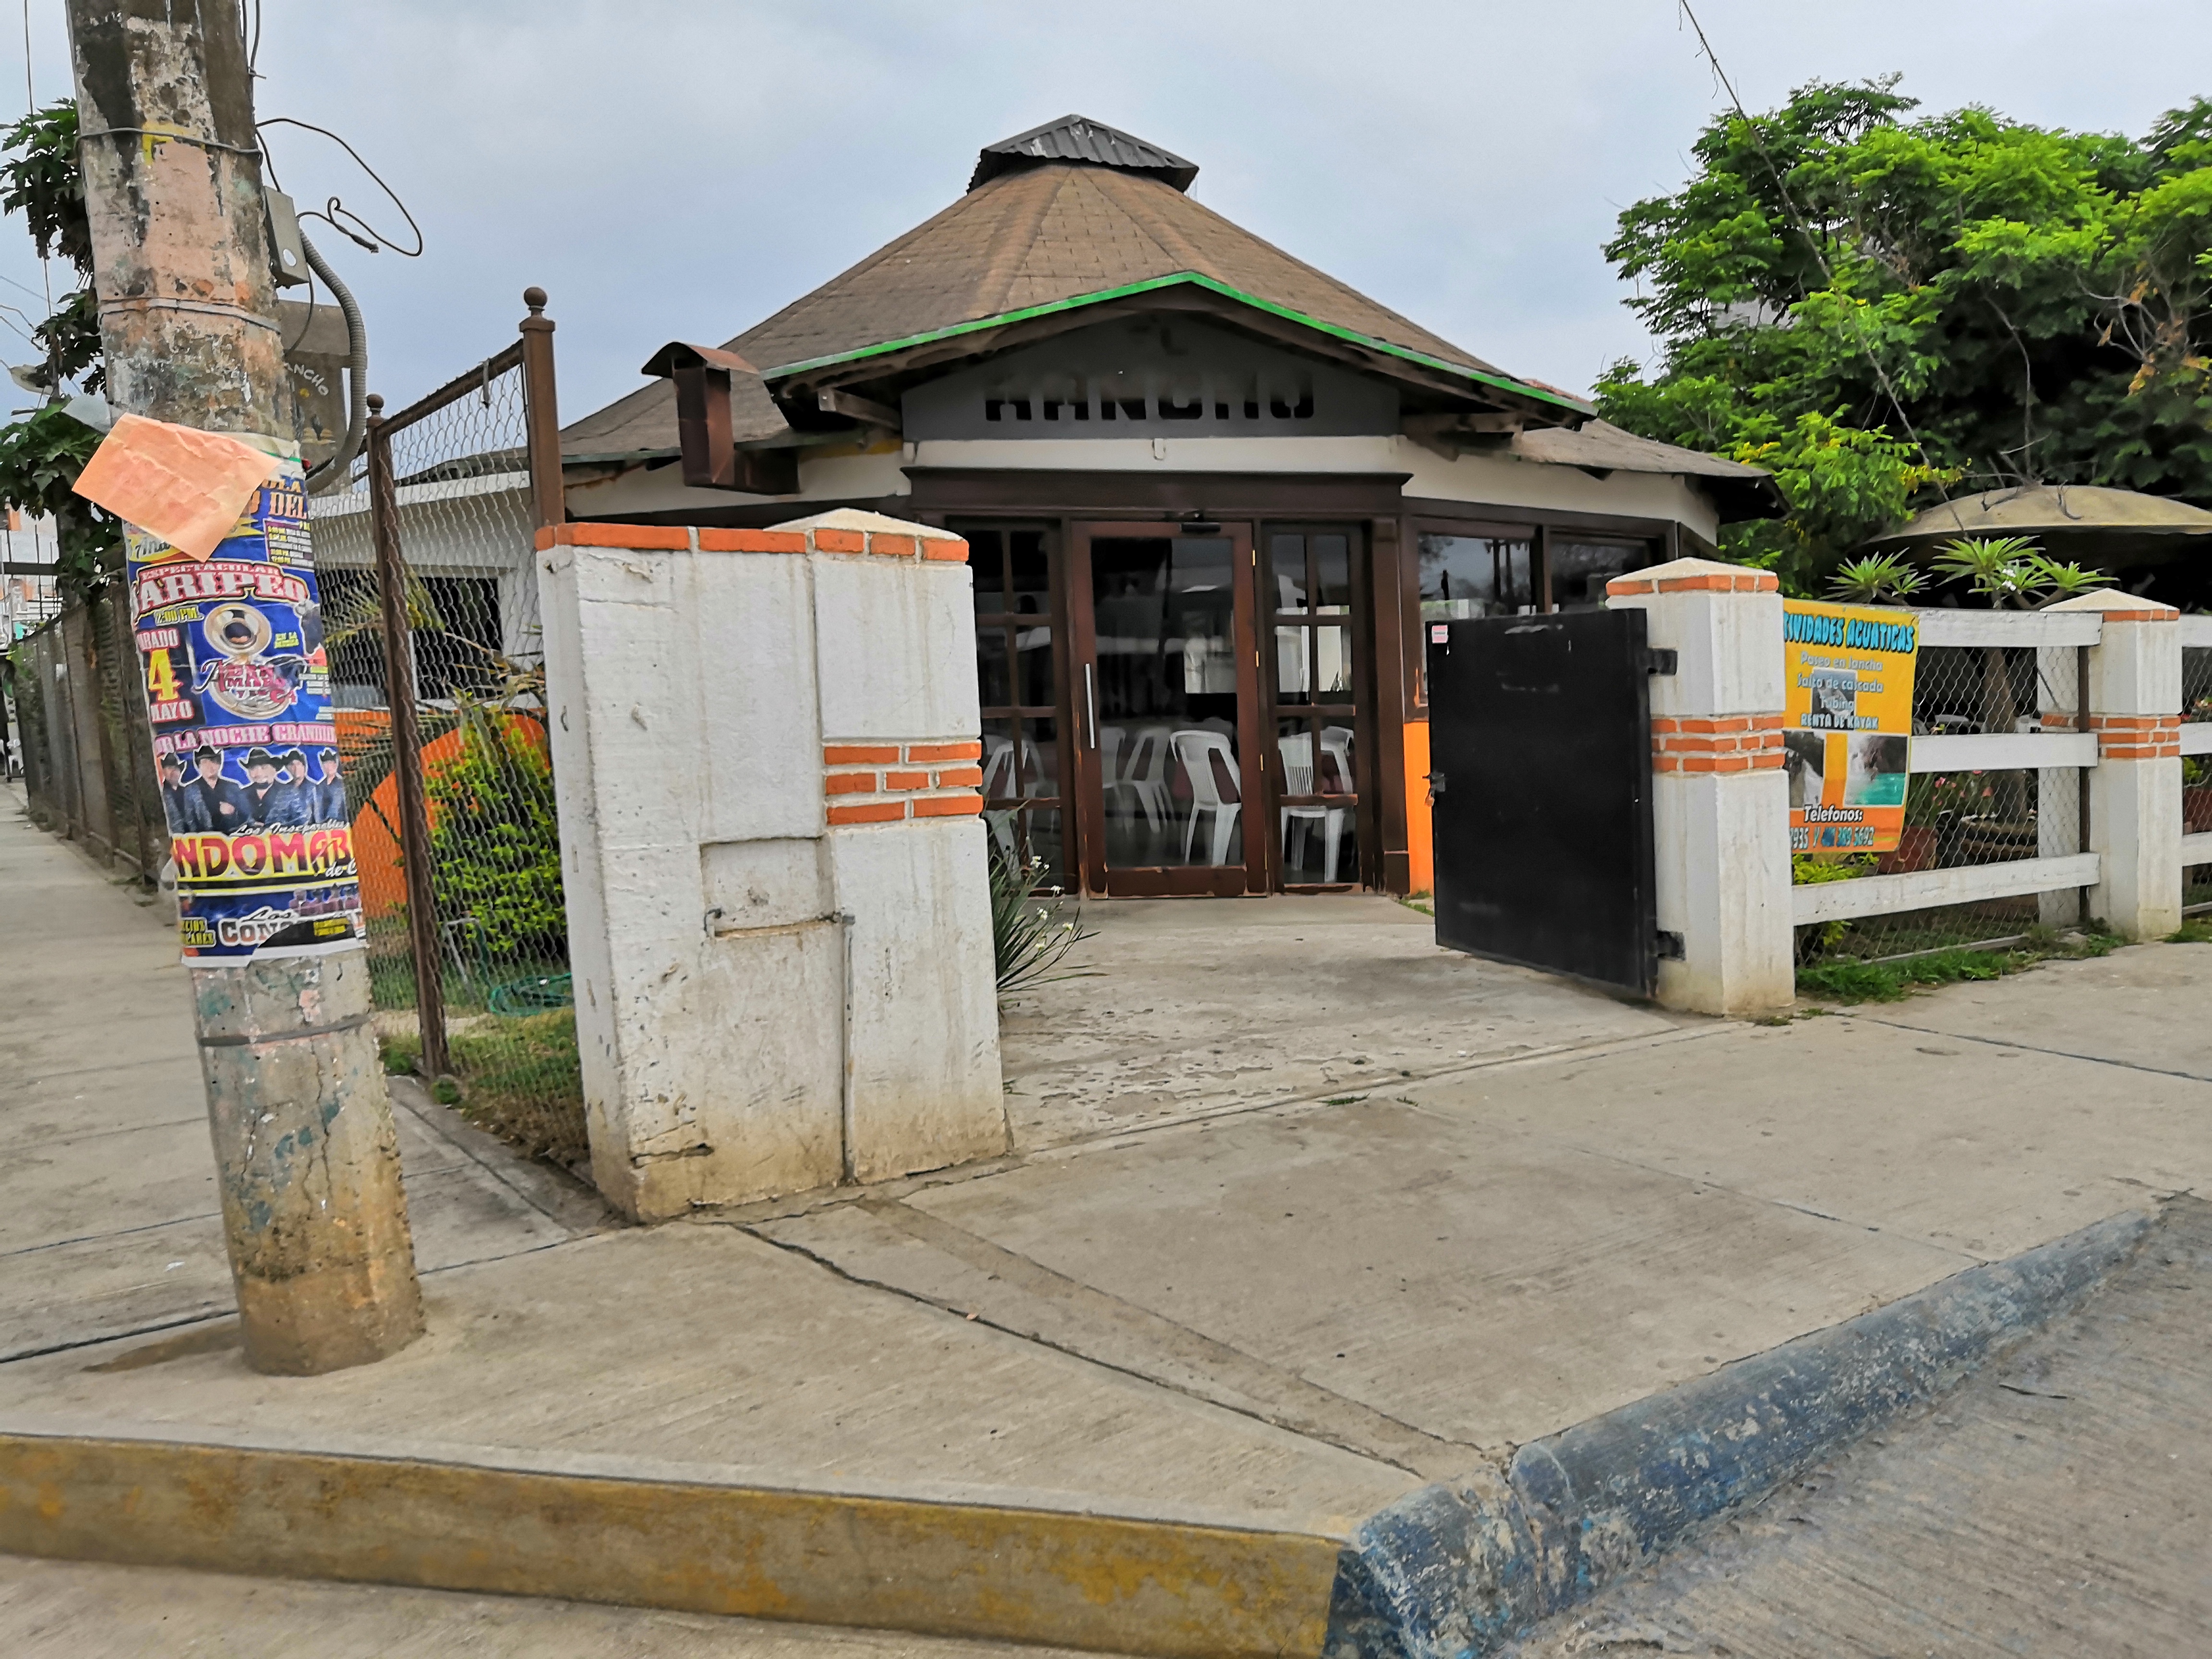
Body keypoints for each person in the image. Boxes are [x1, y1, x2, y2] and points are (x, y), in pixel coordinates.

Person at [174, 744, 245, 833]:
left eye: (213, 761)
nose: (210, 766)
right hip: (204, 841)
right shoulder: (190, 790)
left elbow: (246, 817)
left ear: (219, 764)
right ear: (199, 767)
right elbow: (190, 821)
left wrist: (233, 813)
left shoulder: (234, 787)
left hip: (232, 839)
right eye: (205, 762)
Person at [242, 745, 313, 828]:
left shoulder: (290, 792)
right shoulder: (241, 794)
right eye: (253, 768)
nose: (259, 773)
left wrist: (272, 829)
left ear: (274, 769)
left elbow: (303, 821)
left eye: (264, 767)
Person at [315, 746, 349, 824]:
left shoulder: (340, 784)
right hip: (321, 824)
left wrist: (329, 822)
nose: (329, 767)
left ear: (335, 765)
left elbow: (335, 807)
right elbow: (317, 808)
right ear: (323, 767)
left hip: (338, 822)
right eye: (326, 764)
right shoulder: (319, 786)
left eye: (331, 763)